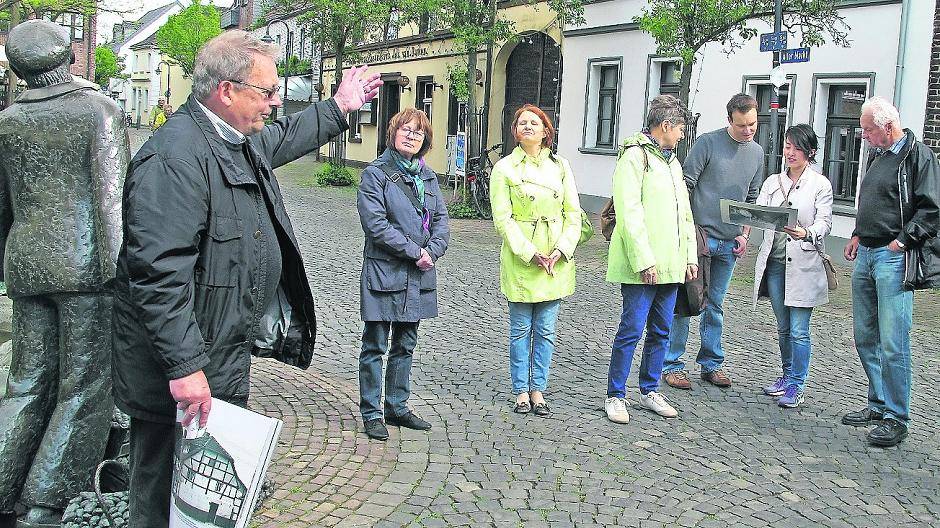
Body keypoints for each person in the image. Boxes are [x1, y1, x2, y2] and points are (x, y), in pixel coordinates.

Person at [111, 30, 381, 526]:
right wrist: (185, 367)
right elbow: (157, 276)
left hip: (220, 351)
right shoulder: (174, 158)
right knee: (160, 491)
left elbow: (284, 138)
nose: (276, 103)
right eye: (267, 92)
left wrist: (339, 106)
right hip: (181, 370)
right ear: (226, 91)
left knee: (203, 497)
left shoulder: (234, 140)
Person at [0, 20, 128, 526]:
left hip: (27, 265)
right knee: (85, 384)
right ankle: (46, 500)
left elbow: (2, 207)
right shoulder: (98, 111)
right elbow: (111, 200)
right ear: (68, 57)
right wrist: (125, 276)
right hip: (86, 271)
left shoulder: (8, 121)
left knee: (26, 383)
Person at [842, 96, 940, 447]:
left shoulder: (918, 155)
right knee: (865, 336)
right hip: (867, 251)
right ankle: (879, 403)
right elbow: (871, 200)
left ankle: (897, 417)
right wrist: (856, 232)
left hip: (893, 256)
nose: (863, 136)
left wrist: (902, 241)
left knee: (893, 341)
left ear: (887, 126)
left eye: (868, 130)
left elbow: (932, 209)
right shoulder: (878, 154)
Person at [356, 108, 449, 440]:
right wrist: (416, 252)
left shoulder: (427, 176)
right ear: (393, 132)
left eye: (419, 132)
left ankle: (397, 406)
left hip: (419, 275)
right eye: (406, 129)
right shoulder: (375, 175)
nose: (412, 135)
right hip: (386, 272)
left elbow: (440, 221)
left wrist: (433, 250)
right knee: (375, 345)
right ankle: (372, 412)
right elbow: (376, 226)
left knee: (405, 344)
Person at [604, 95, 697, 424]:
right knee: (631, 329)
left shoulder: (672, 161)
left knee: (661, 329)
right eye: (681, 128)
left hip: (671, 264)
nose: (684, 134)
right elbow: (628, 212)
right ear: (666, 126)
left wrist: (689, 254)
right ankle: (615, 394)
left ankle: (650, 388)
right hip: (641, 265)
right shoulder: (634, 157)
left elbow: (684, 212)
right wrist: (644, 260)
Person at [663, 93, 765, 390]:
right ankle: (672, 364)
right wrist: (684, 231)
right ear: (729, 120)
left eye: (753, 125)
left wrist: (745, 235)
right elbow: (686, 184)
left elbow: (752, 198)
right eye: (742, 125)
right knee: (686, 301)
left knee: (716, 305)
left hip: (730, 242)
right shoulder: (708, 143)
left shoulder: (757, 153)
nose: (748, 131)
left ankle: (711, 364)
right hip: (699, 238)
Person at [490, 104, 583, 417]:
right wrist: (530, 252)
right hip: (522, 258)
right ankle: (520, 390)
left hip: (556, 258)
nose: (528, 126)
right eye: (522, 123)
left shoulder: (561, 167)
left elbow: (573, 213)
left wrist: (561, 250)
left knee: (545, 330)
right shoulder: (504, 169)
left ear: (546, 130)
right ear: (515, 131)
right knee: (520, 330)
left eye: (534, 122)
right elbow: (502, 219)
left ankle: (538, 389)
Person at [751, 124, 833, 409]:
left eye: (797, 148)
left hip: (803, 264)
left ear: (809, 152)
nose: (790, 153)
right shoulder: (772, 181)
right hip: (775, 263)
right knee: (783, 328)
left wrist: (807, 232)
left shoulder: (820, 184)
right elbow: (759, 212)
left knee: (799, 329)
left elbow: (825, 222)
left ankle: (797, 384)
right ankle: (787, 377)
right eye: (787, 147)